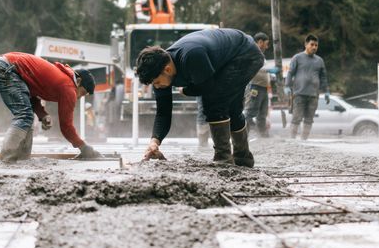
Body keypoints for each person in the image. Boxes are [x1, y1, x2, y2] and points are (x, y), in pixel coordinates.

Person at [134, 28, 265, 167]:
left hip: (246, 53)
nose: (158, 87)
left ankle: (223, 159)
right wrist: (155, 141)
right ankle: (243, 159)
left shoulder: (192, 56)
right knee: (232, 108)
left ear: (167, 69)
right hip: (224, 61)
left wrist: (186, 90)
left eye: (157, 83)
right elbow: (163, 113)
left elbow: (208, 87)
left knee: (214, 103)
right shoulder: (160, 71)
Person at [0, 52, 102, 163]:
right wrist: (83, 147)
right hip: (6, 68)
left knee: (26, 116)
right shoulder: (69, 87)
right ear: (79, 81)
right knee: (24, 116)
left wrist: (42, 114)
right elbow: (66, 126)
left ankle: (21, 159)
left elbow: (30, 94)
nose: (79, 97)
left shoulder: (61, 78)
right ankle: (7, 159)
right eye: (82, 93)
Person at [285, 34, 329, 140]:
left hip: (314, 95)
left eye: (316, 45)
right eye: (312, 44)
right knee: (296, 118)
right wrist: (287, 86)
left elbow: (323, 77)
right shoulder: (297, 57)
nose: (314, 47)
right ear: (306, 44)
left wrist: (327, 91)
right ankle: (292, 139)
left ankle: (304, 140)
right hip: (299, 94)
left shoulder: (319, 60)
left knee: (309, 119)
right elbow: (290, 73)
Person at [244, 32, 271, 138]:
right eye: (266, 43)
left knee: (262, 115)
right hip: (254, 87)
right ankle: (243, 135)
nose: (267, 46)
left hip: (263, 88)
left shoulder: (262, 56)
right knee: (250, 112)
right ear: (260, 42)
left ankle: (263, 136)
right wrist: (269, 69)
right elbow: (254, 67)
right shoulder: (251, 53)